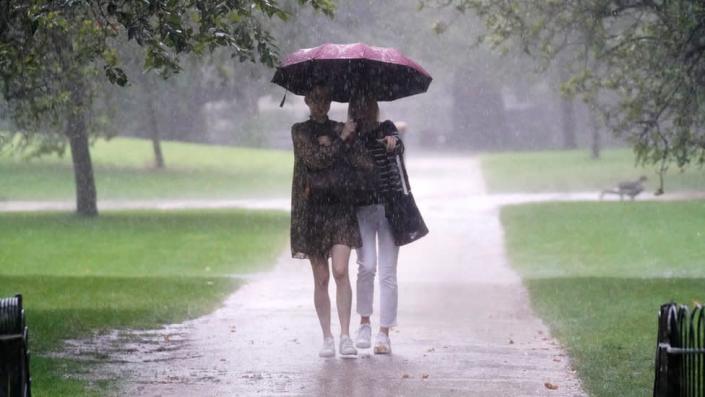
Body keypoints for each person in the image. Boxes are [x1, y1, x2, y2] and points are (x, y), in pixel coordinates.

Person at [290, 84, 368, 358]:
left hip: (341, 209)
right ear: (307, 100)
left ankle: (346, 334)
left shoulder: (341, 128)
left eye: (325, 99)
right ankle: (327, 337)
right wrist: (338, 142)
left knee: (340, 271)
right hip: (313, 212)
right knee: (321, 278)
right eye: (316, 99)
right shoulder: (299, 131)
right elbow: (315, 160)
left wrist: (345, 137)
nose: (321, 104)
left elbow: (363, 161)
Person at [347, 95, 405, 355]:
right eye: (359, 105)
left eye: (367, 105)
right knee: (367, 266)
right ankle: (364, 323)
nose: (364, 109)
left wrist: (393, 143)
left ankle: (384, 332)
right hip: (362, 208)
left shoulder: (387, 129)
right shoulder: (350, 136)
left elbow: (399, 146)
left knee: (388, 272)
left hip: (391, 209)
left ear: (374, 107)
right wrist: (346, 137)